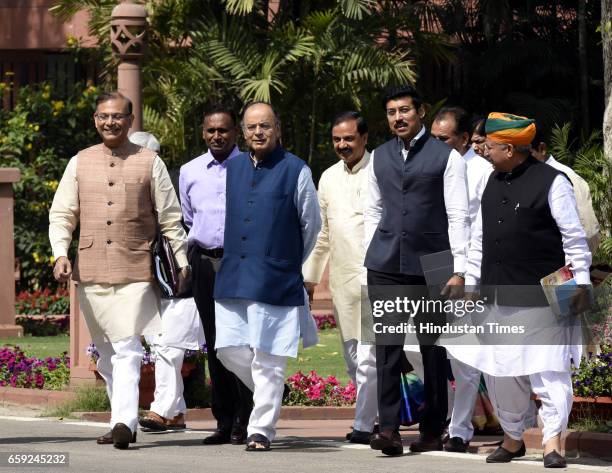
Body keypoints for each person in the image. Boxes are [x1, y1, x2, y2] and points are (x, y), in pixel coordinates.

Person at [49, 92, 189, 449]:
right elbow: (63, 213)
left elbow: (171, 216)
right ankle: (119, 418)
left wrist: (182, 260)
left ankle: (126, 423)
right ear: (95, 119)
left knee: (127, 346)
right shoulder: (79, 162)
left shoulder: (149, 162)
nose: (110, 122)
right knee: (107, 352)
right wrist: (59, 254)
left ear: (130, 121)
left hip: (135, 268)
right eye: (103, 116)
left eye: (117, 117)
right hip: (92, 269)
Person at [450, 112, 591, 468]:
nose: (483, 150)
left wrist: (583, 282)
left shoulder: (552, 181)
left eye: (490, 145)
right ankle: (513, 438)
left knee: (550, 369)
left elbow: (574, 239)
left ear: (510, 148)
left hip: (547, 292)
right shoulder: (491, 181)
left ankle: (552, 442)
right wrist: (471, 282)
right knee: (501, 370)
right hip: (498, 293)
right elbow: (479, 239)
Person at [364, 85, 470, 455]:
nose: (398, 118)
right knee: (387, 348)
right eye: (392, 112)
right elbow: (373, 211)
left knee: (433, 349)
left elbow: (458, 215)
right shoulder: (377, 156)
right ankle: (389, 429)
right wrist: (372, 252)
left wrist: (458, 268)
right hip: (386, 264)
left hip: (435, 262)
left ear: (421, 112)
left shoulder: (447, 157)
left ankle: (431, 427)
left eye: (404, 110)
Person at [213, 102, 321, 451]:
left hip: (275, 277)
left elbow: (312, 226)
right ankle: (271, 390)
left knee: (268, 356)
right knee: (227, 350)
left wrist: (291, 263)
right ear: (242, 132)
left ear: (278, 128)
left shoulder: (296, 170)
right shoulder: (233, 168)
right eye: (251, 127)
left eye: (265, 126)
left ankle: (261, 430)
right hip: (234, 275)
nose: (258, 132)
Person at [179, 105, 254, 444]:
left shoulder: (251, 166)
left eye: (223, 130)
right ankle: (224, 420)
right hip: (205, 263)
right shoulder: (190, 170)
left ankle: (247, 416)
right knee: (215, 343)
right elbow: (188, 218)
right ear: (203, 133)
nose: (216, 136)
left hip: (241, 263)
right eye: (211, 130)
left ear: (235, 132)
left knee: (241, 341)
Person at [303, 111, 377, 444]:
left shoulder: (381, 171)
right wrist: (310, 277)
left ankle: (365, 424)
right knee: (352, 358)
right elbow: (322, 233)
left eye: (349, 138)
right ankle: (372, 417)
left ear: (364, 138)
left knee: (369, 357)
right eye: (337, 139)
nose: (342, 145)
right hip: (343, 281)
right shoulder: (329, 177)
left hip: (377, 279)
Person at [124, 131, 205, 433]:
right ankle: (175, 413)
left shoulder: (176, 182)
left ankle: (162, 410)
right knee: (161, 345)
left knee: (169, 346)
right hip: (148, 280)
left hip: (181, 279)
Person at [431, 107, 493, 452]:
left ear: (464, 138)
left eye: (444, 139)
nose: (436, 144)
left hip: (467, 272)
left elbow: (481, 229)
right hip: (430, 266)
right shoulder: (427, 164)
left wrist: (469, 275)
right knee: (417, 349)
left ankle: (460, 429)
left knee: (465, 356)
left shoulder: (482, 171)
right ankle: (446, 417)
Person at [531, 129, 600, 254]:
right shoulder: (545, 175)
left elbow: (587, 232)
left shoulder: (560, 178)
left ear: (542, 149)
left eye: (526, 155)